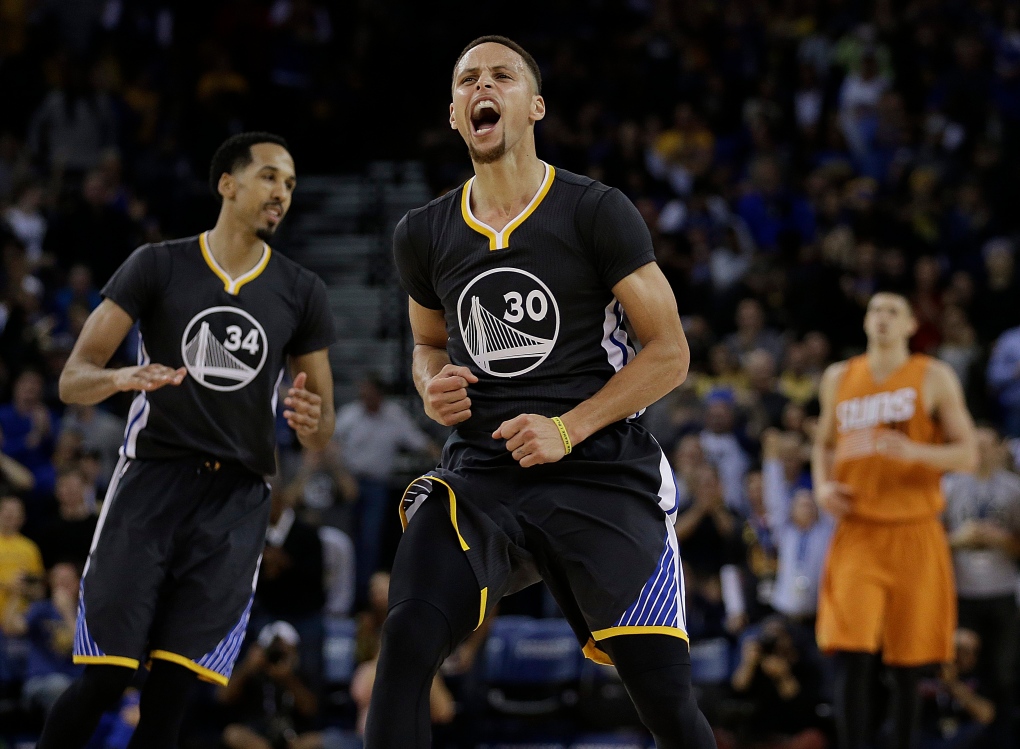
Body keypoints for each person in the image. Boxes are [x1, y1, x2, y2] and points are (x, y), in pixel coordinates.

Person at [372, 36, 715, 749]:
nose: (481, 87)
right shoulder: (424, 233)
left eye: (500, 75)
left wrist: (569, 426)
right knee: (404, 642)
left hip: (601, 468)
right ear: (455, 114)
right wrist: (429, 384)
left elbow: (670, 353)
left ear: (534, 106)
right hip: (483, 472)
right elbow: (428, 346)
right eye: (467, 79)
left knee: (667, 705)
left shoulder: (595, 211)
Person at [37, 131, 337, 749]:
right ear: (227, 184)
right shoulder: (158, 264)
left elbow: (323, 424)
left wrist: (312, 422)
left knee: (172, 693)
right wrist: (120, 376)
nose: (282, 191)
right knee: (106, 677)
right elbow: (72, 378)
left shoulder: (302, 290)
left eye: (290, 183)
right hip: (151, 483)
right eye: (269, 177)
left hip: (235, 501)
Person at [812, 292, 978, 749]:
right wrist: (823, 487)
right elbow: (824, 444)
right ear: (866, 322)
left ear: (909, 326)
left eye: (893, 312)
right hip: (859, 532)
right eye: (875, 311)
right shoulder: (839, 377)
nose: (882, 318)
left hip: (915, 530)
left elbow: (968, 454)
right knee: (852, 653)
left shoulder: (934, 376)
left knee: (909, 662)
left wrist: (916, 452)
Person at [332, 374, 438, 597]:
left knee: (370, 540)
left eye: (369, 392)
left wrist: (444, 457)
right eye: (362, 392)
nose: (364, 396)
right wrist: (342, 477)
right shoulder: (350, 414)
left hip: (377, 485)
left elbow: (418, 441)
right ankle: (344, 596)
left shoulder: (394, 416)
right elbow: (330, 445)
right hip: (347, 484)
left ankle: (364, 596)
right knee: (343, 540)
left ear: (379, 394)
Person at [943, 425, 1020, 717]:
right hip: (963, 591)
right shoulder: (949, 485)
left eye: (987, 445)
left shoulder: (1014, 489)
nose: (981, 451)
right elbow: (930, 545)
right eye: (975, 445)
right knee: (960, 668)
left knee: (1003, 670)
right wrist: (959, 539)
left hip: (1002, 591)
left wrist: (1001, 539)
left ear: (1000, 448)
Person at [0, 495, 43, 621]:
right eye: (6, 510)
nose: (9, 515)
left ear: (22, 518)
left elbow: (39, 589)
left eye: (14, 512)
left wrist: (24, 588)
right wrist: (8, 584)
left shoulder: (30, 548)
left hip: (20, 618)